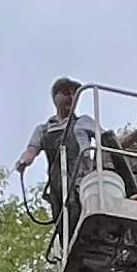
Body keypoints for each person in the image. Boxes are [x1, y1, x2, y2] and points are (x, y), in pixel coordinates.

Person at [18, 78, 92, 239]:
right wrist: (24, 161)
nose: (71, 97)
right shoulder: (44, 129)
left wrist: (136, 135)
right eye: (66, 93)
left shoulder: (84, 122)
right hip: (58, 186)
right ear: (55, 98)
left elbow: (108, 140)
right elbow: (31, 150)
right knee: (64, 224)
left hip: (85, 181)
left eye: (74, 94)